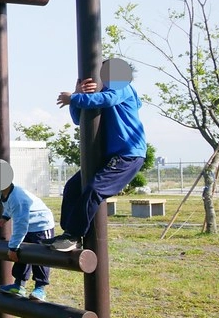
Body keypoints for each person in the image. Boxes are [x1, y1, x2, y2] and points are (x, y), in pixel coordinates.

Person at [51, 58, 147, 251]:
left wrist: (75, 98)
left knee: (94, 189)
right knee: (72, 188)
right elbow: (79, 119)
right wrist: (78, 96)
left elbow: (108, 99)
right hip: (107, 157)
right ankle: (69, 233)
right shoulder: (99, 95)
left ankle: (74, 235)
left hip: (127, 155)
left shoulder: (122, 88)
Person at [0, 181, 56, 301]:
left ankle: (40, 288)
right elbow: (8, 206)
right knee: (21, 253)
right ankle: (19, 285)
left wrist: (13, 247)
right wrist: (5, 217)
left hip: (41, 224)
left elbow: (20, 225)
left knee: (40, 255)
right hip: (27, 222)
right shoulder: (0, 192)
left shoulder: (17, 197)